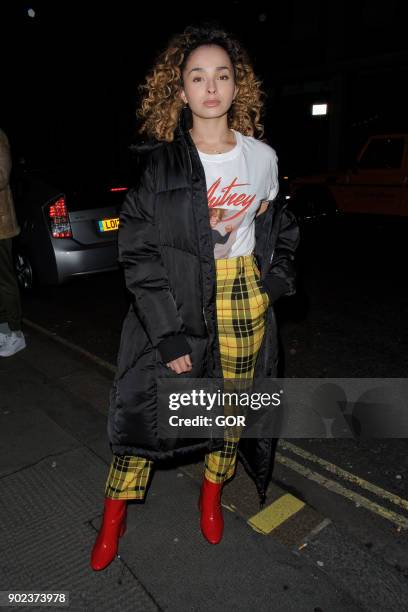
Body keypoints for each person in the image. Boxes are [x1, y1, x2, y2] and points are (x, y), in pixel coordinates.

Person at [91, 24, 299, 571]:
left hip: (242, 296)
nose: (211, 87)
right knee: (149, 410)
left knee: (231, 407)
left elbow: (280, 223)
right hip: (178, 300)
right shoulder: (159, 167)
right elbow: (137, 254)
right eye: (198, 76)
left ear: (237, 87)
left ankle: (212, 494)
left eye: (222, 75)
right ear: (180, 90)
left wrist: (273, 282)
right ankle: (114, 516)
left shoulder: (263, 158)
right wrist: (166, 330)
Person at [0, 128, 26, 357]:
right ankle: (3, 331)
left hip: (2, 227)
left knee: (6, 281)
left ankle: (16, 334)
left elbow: (1, 176)